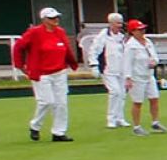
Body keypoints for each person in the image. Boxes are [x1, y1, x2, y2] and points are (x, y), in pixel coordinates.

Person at [12, 7, 80, 142]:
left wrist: (73, 63)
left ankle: (59, 132)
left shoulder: (60, 32)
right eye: (51, 18)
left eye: (56, 17)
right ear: (44, 19)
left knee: (61, 103)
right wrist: (20, 65)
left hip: (59, 72)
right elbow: (18, 47)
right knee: (47, 102)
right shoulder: (34, 32)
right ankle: (35, 126)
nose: (55, 20)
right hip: (41, 73)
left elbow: (66, 48)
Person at [120, 19, 166, 135]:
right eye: (139, 29)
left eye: (143, 29)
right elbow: (127, 63)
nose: (142, 31)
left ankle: (155, 122)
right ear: (133, 31)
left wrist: (154, 62)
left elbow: (155, 56)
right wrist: (128, 78)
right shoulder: (130, 46)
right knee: (138, 102)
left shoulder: (148, 42)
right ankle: (137, 127)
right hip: (137, 78)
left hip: (149, 76)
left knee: (154, 98)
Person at [88, 12, 130, 129]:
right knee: (115, 92)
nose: (120, 25)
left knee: (122, 94)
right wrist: (94, 65)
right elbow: (94, 51)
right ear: (111, 23)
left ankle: (120, 118)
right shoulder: (103, 36)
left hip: (121, 69)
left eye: (121, 23)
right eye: (117, 23)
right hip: (108, 69)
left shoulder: (122, 36)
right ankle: (111, 119)